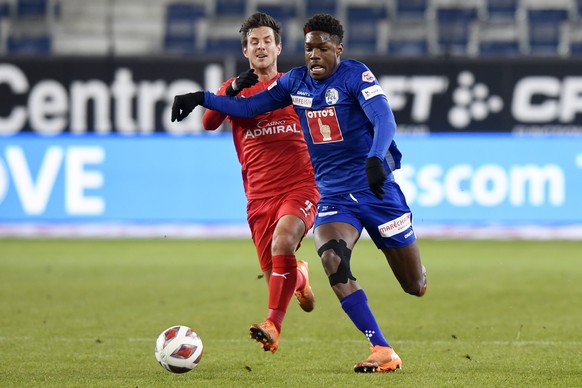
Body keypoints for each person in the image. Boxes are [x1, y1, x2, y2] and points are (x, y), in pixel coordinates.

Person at [172, 13, 427, 373]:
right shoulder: (295, 83)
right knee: (332, 259)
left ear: (338, 49)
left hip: (375, 190)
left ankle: (406, 277)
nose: (315, 55)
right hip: (333, 196)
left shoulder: (355, 75)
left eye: (323, 48)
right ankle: (382, 348)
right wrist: (202, 97)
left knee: (414, 285)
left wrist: (375, 157)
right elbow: (246, 108)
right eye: (309, 49)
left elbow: (384, 118)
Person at [200, 12, 320, 354]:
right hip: (259, 197)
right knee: (278, 277)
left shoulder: (296, 85)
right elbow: (209, 122)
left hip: (301, 185)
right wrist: (233, 87)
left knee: (283, 241)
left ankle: (272, 325)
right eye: (254, 42)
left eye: (267, 41)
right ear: (245, 51)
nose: (261, 47)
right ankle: (299, 275)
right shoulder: (233, 90)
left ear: (279, 47)